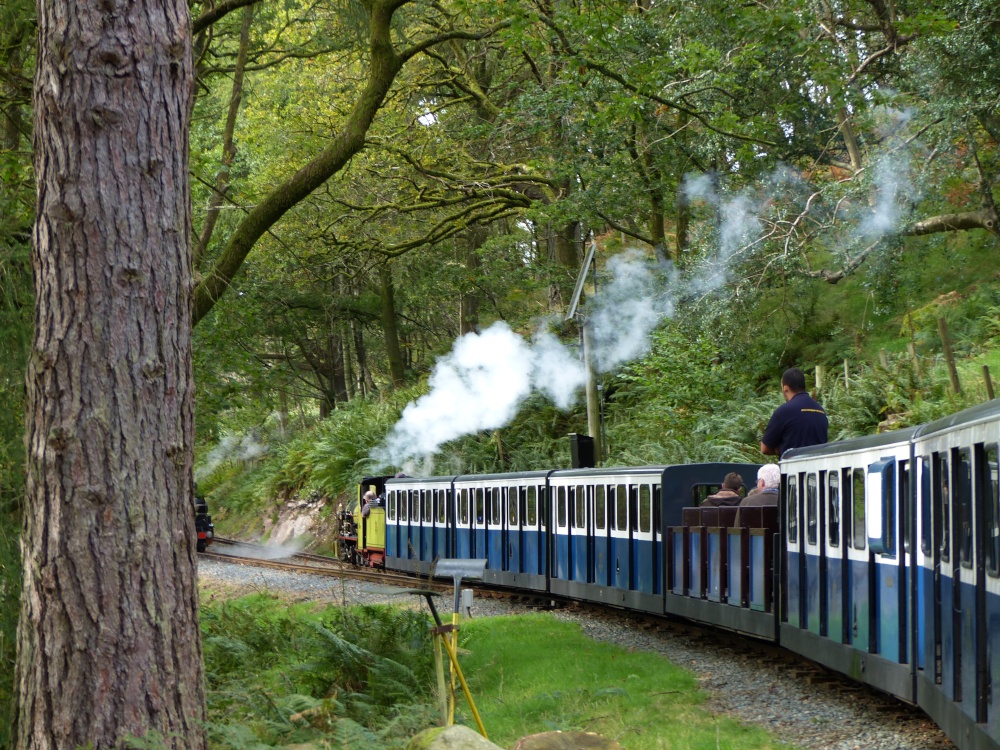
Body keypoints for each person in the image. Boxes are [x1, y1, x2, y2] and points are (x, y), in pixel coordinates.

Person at [760, 367, 828, 458]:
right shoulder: (821, 411)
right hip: (818, 469)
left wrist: (781, 449)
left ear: (785, 388)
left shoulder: (784, 411)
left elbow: (764, 448)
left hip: (793, 470)